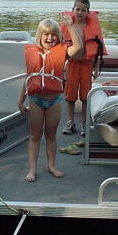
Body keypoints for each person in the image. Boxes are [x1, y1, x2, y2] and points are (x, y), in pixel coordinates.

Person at [18, 15, 83, 182]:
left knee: (51, 135)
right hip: (35, 100)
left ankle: (51, 165)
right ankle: (32, 169)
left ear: (59, 36)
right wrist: (20, 100)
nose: (50, 38)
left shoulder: (63, 51)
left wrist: (69, 26)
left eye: (54, 34)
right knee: (35, 135)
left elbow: (78, 47)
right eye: (46, 34)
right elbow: (29, 77)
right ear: (39, 35)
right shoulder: (32, 52)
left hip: (54, 100)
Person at [60, 0, 108, 136]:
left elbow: (98, 49)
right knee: (70, 95)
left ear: (88, 12)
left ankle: (84, 124)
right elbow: (61, 48)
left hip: (87, 65)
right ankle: (70, 121)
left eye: (83, 10)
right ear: (72, 10)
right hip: (73, 64)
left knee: (86, 96)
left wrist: (97, 67)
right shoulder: (68, 25)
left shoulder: (91, 27)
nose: (80, 12)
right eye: (77, 9)